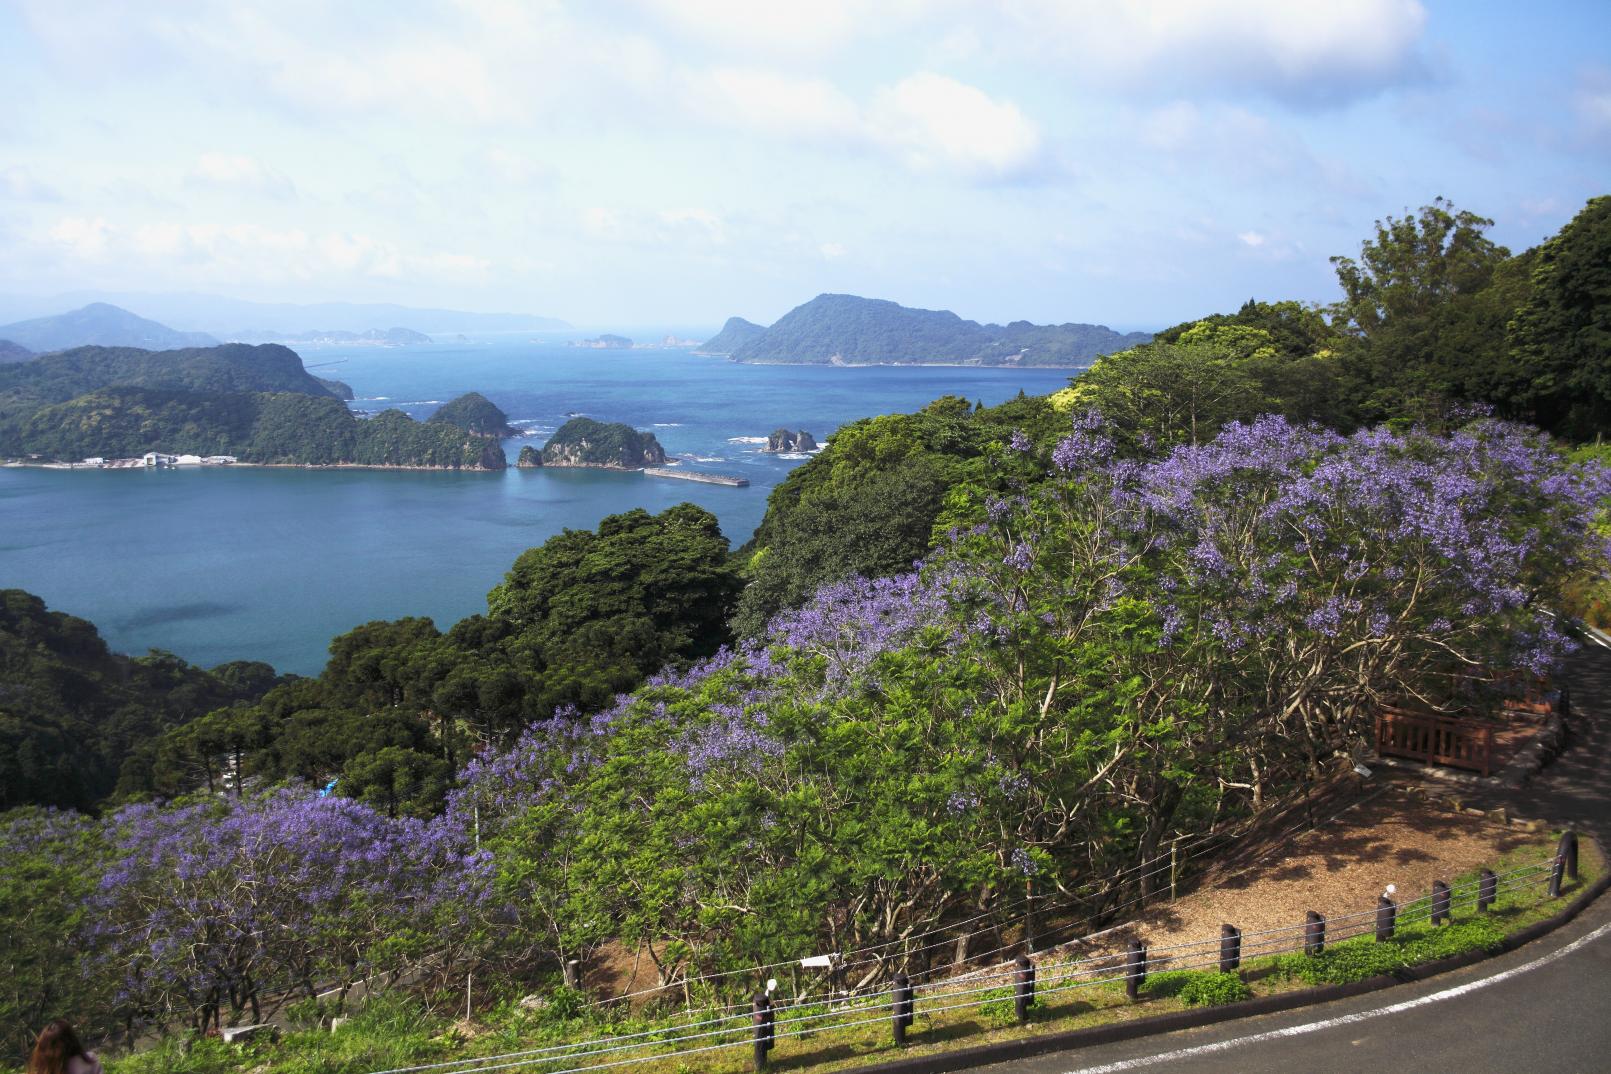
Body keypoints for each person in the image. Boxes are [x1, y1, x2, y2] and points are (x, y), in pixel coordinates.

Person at [27, 1020, 102, 1074]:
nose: (50, 1052)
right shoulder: (42, 1067)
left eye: (55, 1046)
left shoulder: (89, 1060)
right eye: (47, 1047)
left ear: (68, 1043)